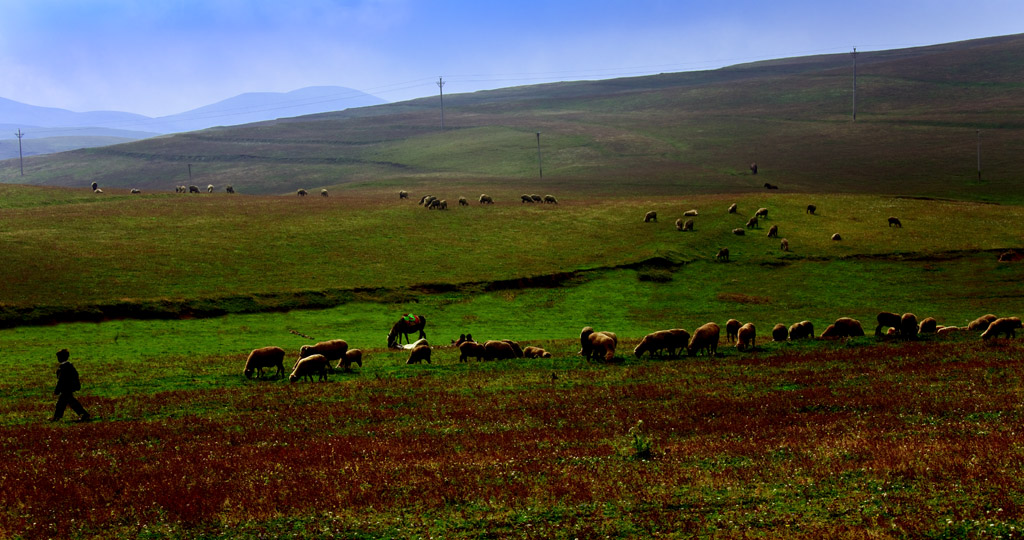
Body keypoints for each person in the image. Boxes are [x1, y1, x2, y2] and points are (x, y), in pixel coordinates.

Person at [50, 348, 91, 422]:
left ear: (61, 358)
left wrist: (57, 390)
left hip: (66, 388)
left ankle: (57, 417)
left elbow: (61, 380)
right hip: (69, 388)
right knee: (68, 402)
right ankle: (57, 417)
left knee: (63, 403)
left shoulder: (64, 367)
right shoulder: (69, 366)